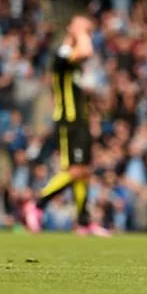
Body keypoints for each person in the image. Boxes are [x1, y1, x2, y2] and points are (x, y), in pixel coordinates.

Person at [23, 15, 110, 237]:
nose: (88, 32)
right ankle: (37, 204)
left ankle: (83, 222)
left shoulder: (74, 62)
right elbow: (86, 50)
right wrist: (80, 30)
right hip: (68, 121)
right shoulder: (62, 55)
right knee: (74, 170)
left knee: (84, 172)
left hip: (80, 121)